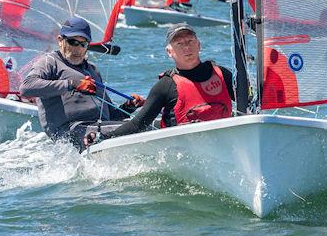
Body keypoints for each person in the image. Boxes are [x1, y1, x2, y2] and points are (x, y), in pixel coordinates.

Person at [85, 23, 234, 146]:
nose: (186, 47)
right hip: (184, 149)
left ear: (199, 45)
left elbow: (249, 101)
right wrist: (103, 137)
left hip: (224, 141)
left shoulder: (222, 74)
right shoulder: (165, 86)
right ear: (169, 52)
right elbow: (138, 124)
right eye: (179, 44)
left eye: (190, 41)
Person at [20, 16, 143, 149]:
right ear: (60, 40)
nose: (77, 49)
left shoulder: (92, 70)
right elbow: (26, 88)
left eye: (83, 44)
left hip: (98, 128)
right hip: (71, 132)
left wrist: (128, 107)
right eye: (73, 42)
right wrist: (72, 84)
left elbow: (109, 114)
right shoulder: (50, 62)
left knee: (149, 124)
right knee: (138, 128)